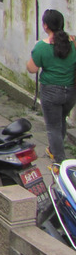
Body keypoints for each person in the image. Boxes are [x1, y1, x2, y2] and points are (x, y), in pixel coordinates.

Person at [26, 9, 76, 165]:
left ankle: (60, 162)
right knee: (61, 120)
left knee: (53, 127)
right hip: (71, 91)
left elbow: (32, 69)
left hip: (51, 92)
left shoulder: (41, 46)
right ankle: (54, 149)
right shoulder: (73, 42)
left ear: (45, 25)